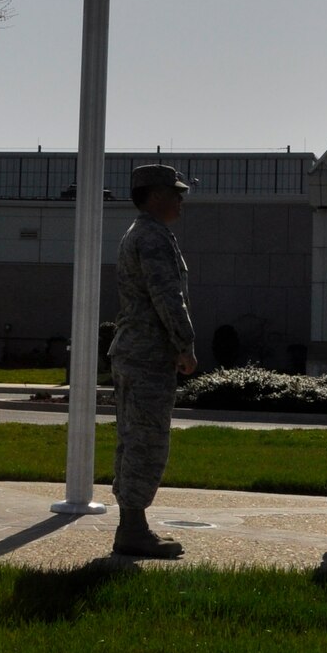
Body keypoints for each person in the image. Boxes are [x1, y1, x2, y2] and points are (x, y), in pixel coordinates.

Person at [107, 161, 198, 559]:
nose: (181, 199)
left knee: (133, 439)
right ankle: (132, 529)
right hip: (147, 356)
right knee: (146, 441)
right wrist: (185, 343)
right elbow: (167, 297)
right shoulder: (152, 237)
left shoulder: (142, 233)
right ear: (155, 195)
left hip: (135, 352)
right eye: (175, 191)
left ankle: (133, 524)